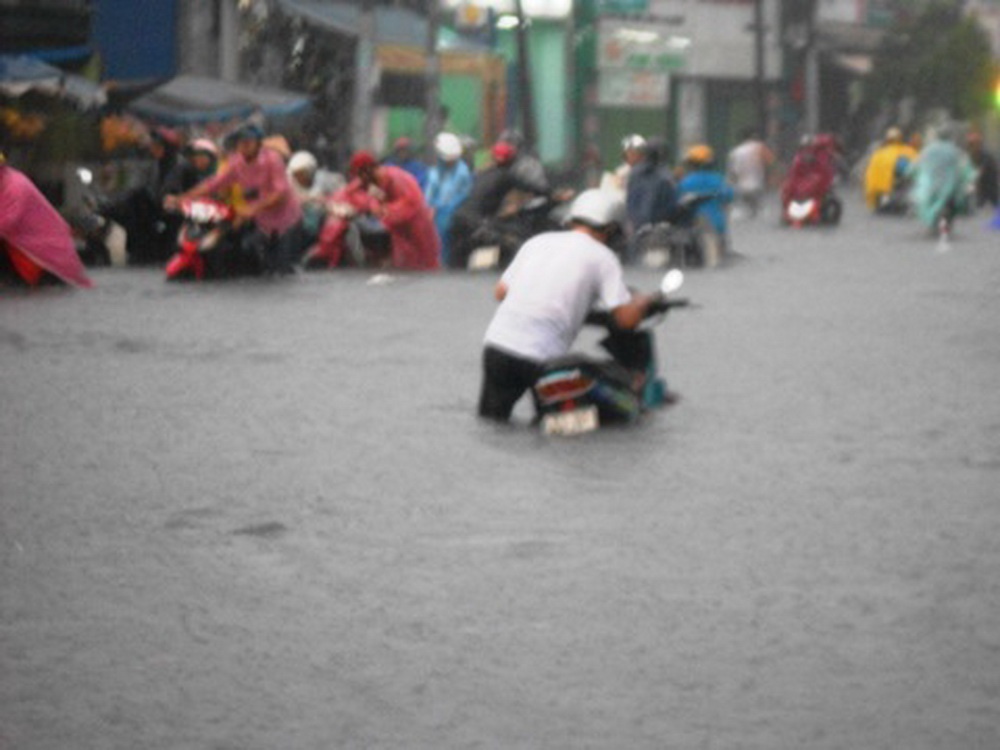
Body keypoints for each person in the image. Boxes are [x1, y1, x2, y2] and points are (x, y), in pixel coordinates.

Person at [478, 189, 658, 422]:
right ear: (610, 229)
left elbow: (501, 292)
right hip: (543, 359)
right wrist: (644, 301)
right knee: (557, 426)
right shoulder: (603, 257)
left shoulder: (537, 242)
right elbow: (626, 319)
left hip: (497, 347)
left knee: (493, 421)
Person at [168, 123, 303, 275]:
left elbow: (280, 193)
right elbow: (214, 184)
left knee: (280, 267)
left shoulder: (272, 160)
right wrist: (183, 197)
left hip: (284, 218)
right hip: (251, 216)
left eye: (248, 142)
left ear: (258, 144)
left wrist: (252, 209)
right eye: (240, 142)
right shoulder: (236, 162)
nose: (244, 146)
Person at [306, 151, 440, 270]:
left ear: (367, 170)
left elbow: (411, 204)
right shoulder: (371, 181)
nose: (359, 179)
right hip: (400, 236)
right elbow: (349, 192)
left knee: (425, 266)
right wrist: (329, 202)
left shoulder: (398, 179)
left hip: (419, 231)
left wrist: (381, 210)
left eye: (360, 175)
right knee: (404, 268)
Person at [447, 140, 555, 270]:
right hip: (476, 223)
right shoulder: (507, 176)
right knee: (513, 244)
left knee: (457, 263)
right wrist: (552, 194)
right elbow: (532, 187)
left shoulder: (483, 174)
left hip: (458, 219)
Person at [0, 151, 93, 288]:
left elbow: (7, 222)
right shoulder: (6, 183)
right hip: (22, 248)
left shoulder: (15, 186)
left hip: (41, 251)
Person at [101, 126, 187, 265]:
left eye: (157, 147)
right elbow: (146, 185)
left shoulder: (180, 165)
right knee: (132, 204)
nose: (153, 150)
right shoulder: (155, 165)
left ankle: (109, 208)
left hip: (172, 208)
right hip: (156, 205)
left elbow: (172, 190)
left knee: (137, 198)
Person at [908, 124, 976, 235]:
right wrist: (969, 177)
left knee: (922, 201)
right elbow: (964, 168)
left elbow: (915, 166)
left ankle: (931, 223)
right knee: (959, 199)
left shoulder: (928, 150)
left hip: (931, 186)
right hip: (949, 186)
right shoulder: (954, 151)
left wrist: (910, 173)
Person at [677, 144, 735, 268]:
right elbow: (729, 197)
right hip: (718, 226)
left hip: (693, 227)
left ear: (692, 164)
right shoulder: (719, 180)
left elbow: (678, 202)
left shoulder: (686, 182)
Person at [623, 134, 677, 264]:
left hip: (639, 224)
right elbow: (671, 202)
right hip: (660, 224)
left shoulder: (635, 172)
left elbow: (631, 199)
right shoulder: (666, 175)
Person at [424, 132, 472, 267]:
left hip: (449, 211)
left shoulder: (462, 171)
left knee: (444, 235)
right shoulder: (435, 171)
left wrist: (442, 206)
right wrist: (430, 206)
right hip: (435, 210)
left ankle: (444, 262)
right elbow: (430, 191)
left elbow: (463, 193)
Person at [287, 150, 343, 250]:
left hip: (319, 223)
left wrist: (325, 202)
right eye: (298, 174)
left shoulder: (324, 179)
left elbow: (339, 195)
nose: (301, 177)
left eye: (303, 173)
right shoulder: (289, 183)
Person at [863, 126, 918, 212]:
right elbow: (916, 164)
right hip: (898, 181)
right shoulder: (908, 151)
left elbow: (871, 171)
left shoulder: (879, 153)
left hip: (882, 186)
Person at [726, 127, 774, 219]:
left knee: (745, 212)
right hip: (758, 185)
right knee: (758, 213)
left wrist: (732, 185)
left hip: (741, 187)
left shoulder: (735, 151)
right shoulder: (760, 147)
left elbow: (732, 172)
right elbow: (770, 164)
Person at [965, 131, 999, 209]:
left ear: (979, 145)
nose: (970, 147)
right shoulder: (971, 155)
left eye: (972, 145)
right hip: (981, 188)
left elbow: (980, 172)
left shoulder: (986, 156)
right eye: (969, 145)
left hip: (990, 185)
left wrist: (973, 181)